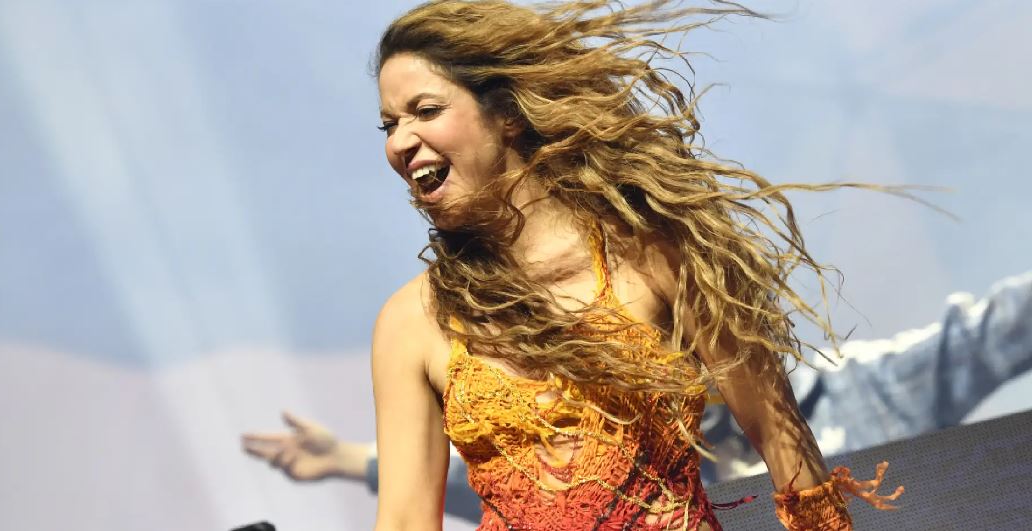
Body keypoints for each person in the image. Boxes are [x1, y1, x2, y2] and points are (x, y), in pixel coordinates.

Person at [340, 1, 907, 529]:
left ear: (507, 114)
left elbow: (783, 443)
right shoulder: (412, 321)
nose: (400, 143)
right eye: (389, 125)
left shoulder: (657, 251)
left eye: (425, 112)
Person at [242, 270, 1032, 522]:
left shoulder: (864, 389)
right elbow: (508, 481)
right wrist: (353, 458)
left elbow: (988, 332)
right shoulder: (619, 441)